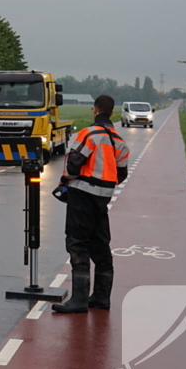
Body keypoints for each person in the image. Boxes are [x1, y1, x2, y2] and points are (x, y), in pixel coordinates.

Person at [52, 94, 130, 314]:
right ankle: (101, 297)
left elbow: (74, 163)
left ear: (95, 110)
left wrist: (64, 182)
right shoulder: (119, 141)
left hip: (82, 194)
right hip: (102, 197)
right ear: (112, 113)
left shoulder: (89, 134)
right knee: (100, 244)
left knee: (77, 242)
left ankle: (78, 299)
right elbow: (121, 173)